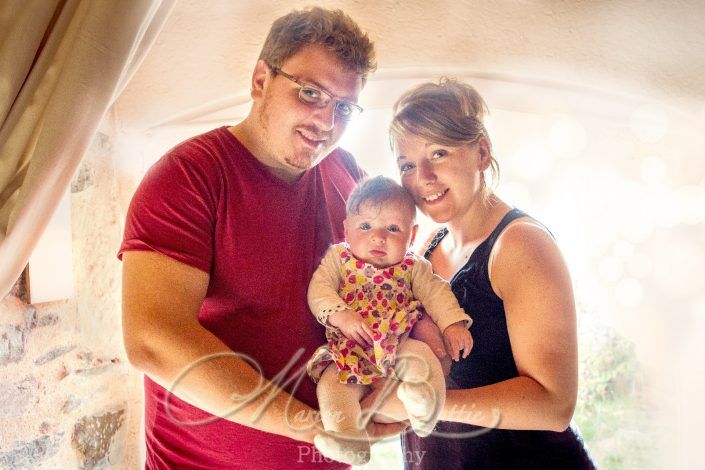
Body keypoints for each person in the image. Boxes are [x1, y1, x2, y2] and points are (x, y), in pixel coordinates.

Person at [118, 7, 402, 469]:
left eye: (344, 107)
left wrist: (384, 393)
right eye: (311, 93)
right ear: (260, 80)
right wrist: (316, 426)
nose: (327, 122)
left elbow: (379, 297)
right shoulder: (188, 176)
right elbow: (153, 338)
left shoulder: (349, 174)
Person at [363, 78, 595, 468]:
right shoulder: (427, 248)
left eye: (438, 153)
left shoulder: (521, 245)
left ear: (482, 152)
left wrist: (424, 404)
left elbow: (553, 405)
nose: (423, 177)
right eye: (407, 165)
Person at [306, 176, 473, 465]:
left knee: (423, 357)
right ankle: (347, 439)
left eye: (393, 228)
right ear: (346, 229)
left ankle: (423, 404)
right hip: (349, 350)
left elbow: (437, 293)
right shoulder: (339, 258)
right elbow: (319, 290)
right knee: (332, 386)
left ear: (411, 235)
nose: (378, 237)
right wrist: (339, 314)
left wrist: (452, 324)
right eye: (366, 226)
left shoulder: (413, 267)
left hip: (398, 342)